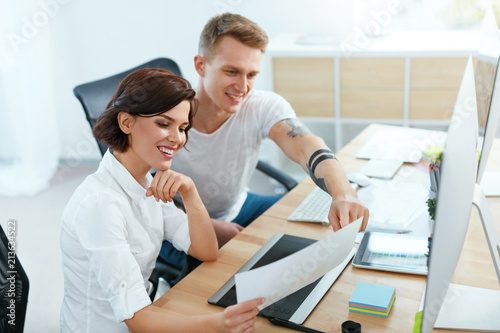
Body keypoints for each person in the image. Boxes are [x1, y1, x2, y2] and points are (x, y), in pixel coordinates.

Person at [60, 68, 264, 332]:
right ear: (126, 123)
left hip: (144, 314)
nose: (177, 138)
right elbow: (138, 321)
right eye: (163, 124)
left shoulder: (146, 182)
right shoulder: (100, 205)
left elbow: (205, 250)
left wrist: (190, 193)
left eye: (182, 128)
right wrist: (218, 325)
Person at [162, 13, 369, 268]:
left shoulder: (260, 105)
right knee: (228, 277)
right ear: (200, 65)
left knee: (314, 236)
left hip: (240, 206)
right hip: (178, 223)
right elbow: (139, 195)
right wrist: (211, 227)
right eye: (232, 71)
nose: (242, 86)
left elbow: (306, 145)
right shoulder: (166, 116)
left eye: (251, 75)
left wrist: (343, 192)